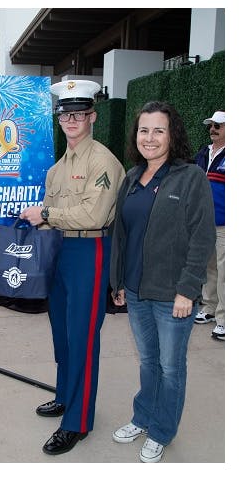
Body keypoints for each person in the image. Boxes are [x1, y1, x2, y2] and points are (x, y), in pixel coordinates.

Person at [19, 80, 126, 456]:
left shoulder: (103, 161)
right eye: (65, 113)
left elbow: (94, 213)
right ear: (59, 117)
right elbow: (48, 218)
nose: (71, 120)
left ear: (92, 116)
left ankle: (78, 421)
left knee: (82, 336)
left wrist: (45, 213)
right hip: (60, 250)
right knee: (62, 334)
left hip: (89, 250)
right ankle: (65, 396)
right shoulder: (56, 169)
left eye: (79, 113)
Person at [109, 101, 215, 463]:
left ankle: (162, 430)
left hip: (173, 296)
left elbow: (202, 238)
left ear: (173, 135)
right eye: (144, 130)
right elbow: (122, 234)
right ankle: (143, 416)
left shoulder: (190, 177)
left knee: (171, 367)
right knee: (148, 361)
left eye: (159, 130)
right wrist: (119, 281)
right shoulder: (131, 176)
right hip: (136, 290)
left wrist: (188, 289)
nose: (150, 138)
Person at [194, 110, 225, 340]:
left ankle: (225, 319)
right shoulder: (204, 152)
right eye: (211, 125)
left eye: (218, 125)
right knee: (209, 267)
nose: (213, 129)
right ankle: (210, 308)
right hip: (204, 221)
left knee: (226, 272)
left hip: (226, 223)